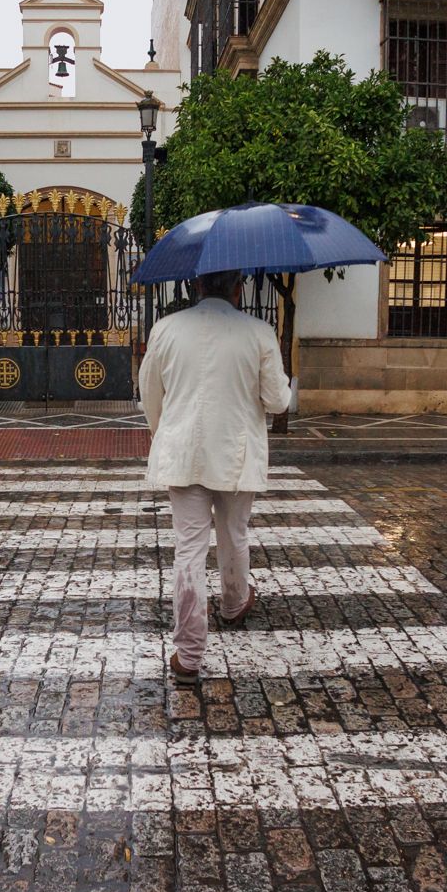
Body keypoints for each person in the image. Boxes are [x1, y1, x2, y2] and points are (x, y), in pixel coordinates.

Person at [139, 270, 293, 686]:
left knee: (189, 549)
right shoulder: (259, 332)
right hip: (236, 455)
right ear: (238, 288)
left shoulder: (166, 329)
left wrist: (164, 432)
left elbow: (150, 392)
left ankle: (188, 654)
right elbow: (278, 401)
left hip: (184, 452)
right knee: (234, 534)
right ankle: (233, 603)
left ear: (197, 286)